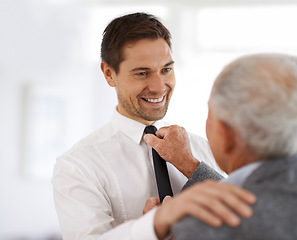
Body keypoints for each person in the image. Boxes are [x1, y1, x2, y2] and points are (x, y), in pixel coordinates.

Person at [52, 12, 255, 239]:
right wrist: (154, 226)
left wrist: (189, 164)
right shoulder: (78, 166)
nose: (159, 87)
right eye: (142, 73)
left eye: (166, 70)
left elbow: (252, 222)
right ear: (109, 74)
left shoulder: (201, 149)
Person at [144, 53, 297, 239]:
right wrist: (189, 164)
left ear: (226, 134)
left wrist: (157, 229)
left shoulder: (202, 229)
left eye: (211, 113)